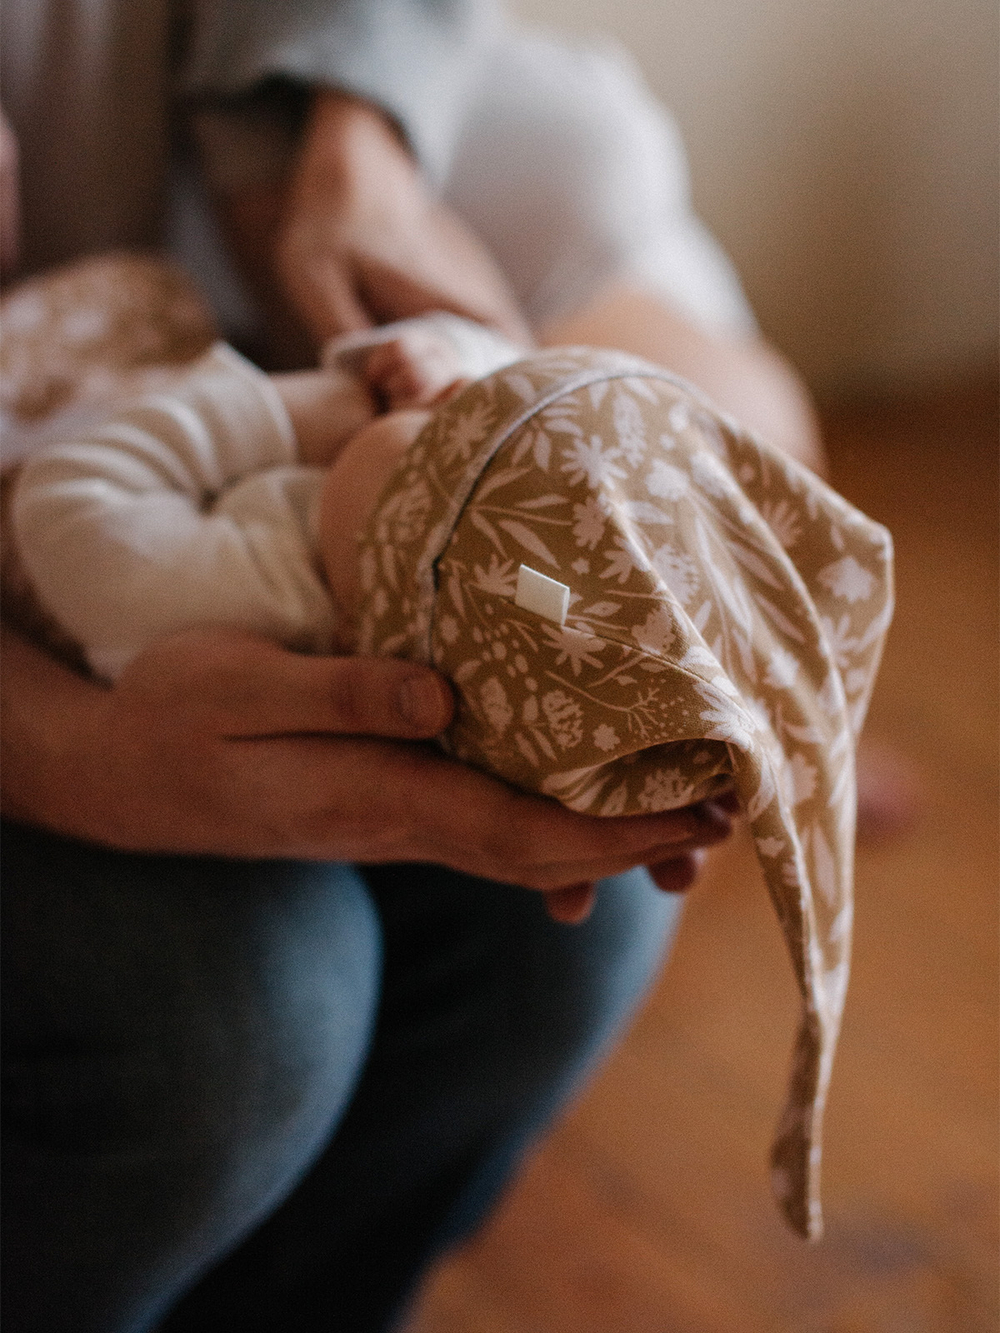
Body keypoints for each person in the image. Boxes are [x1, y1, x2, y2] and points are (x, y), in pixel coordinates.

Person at [0, 3, 833, 1330]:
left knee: (582, 917)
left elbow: (521, 543)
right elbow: (69, 496)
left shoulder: (456, 568)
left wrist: (649, 735)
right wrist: (301, 407)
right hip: (81, 478)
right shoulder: (215, 578)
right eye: (440, 432)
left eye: (449, 433)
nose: (433, 405)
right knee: (248, 1016)